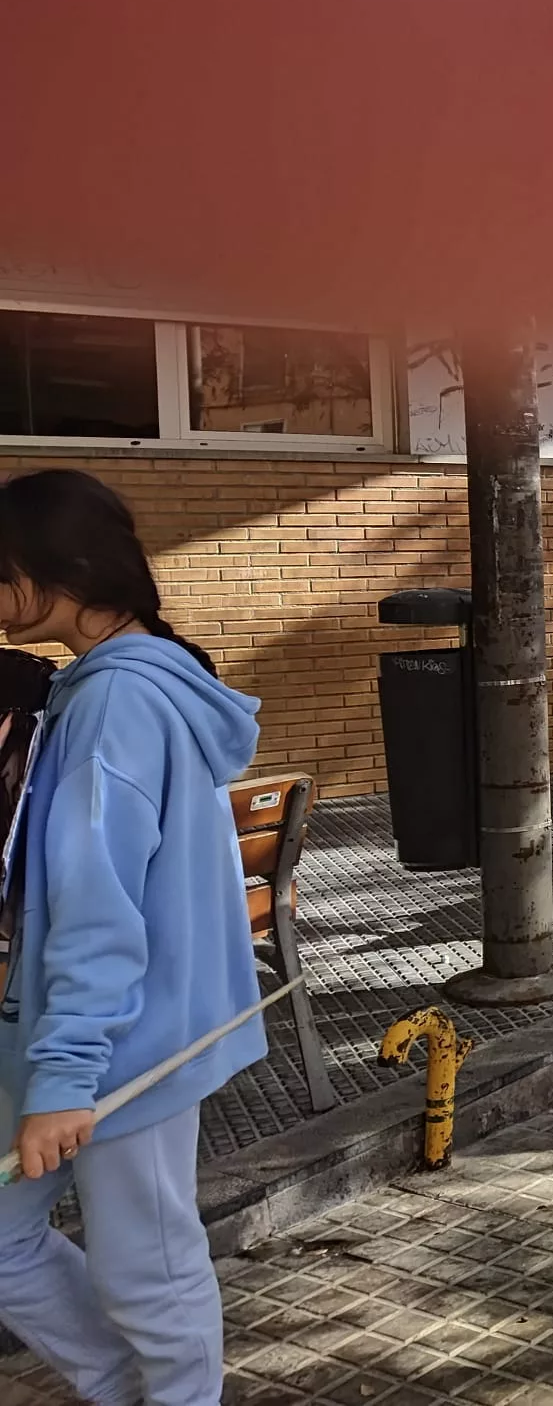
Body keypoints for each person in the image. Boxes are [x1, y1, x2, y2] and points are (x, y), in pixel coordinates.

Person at [0, 469, 268, 1406]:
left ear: (60, 571)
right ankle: (128, 1389)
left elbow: (97, 901)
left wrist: (67, 1076)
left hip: (125, 1047)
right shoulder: (116, 683)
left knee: (148, 1271)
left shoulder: (118, 702)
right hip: (97, 1032)